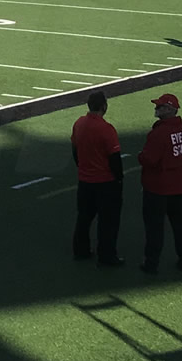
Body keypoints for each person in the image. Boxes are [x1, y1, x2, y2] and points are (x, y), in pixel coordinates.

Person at [137, 93, 182, 275]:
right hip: (180, 189)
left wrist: (140, 156)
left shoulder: (159, 134)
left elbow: (149, 159)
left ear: (169, 109)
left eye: (160, 106)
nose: (156, 109)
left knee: (154, 230)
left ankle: (151, 264)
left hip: (157, 190)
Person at [70, 91, 124, 268]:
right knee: (108, 221)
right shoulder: (106, 129)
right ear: (104, 106)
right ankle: (107, 255)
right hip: (105, 182)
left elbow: (75, 150)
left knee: (84, 217)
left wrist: (83, 168)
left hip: (85, 181)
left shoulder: (79, 123)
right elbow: (114, 158)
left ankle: (81, 250)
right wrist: (119, 179)